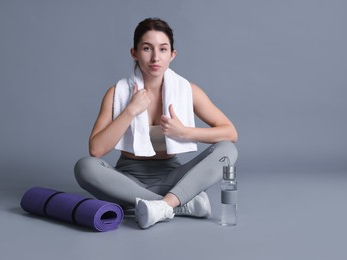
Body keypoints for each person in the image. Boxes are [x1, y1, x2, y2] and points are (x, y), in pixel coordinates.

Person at [74, 18, 238, 229]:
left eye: (162, 49)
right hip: (126, 180)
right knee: (84, 167)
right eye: (146, 48)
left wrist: (186, 133)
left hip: (174, 178)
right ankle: (179, 204)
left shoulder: (188, 91)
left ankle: (161, 205)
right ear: (134, 53)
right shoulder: (117, 93)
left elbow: (230, 132)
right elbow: (96, 150)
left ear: (172, 55)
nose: (155, 57)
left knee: (228, 149)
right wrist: (130, 111)